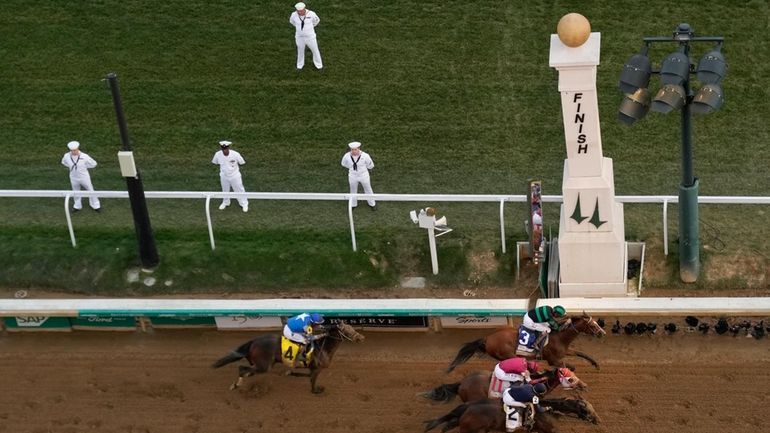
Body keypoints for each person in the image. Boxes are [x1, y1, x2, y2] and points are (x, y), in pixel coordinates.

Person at [61, 140, 101, 212]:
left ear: (78, 148)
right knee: (75, 191)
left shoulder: (84, 156)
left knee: (90, 190)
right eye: (72, 150)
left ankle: (96, 205)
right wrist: (71, 167)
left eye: (75, 150)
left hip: (84, 177)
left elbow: (94, 164)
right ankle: (77, 205)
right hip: (73, 177)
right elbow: (63, 162)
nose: (73, 152)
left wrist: (84, 167)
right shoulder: (66, 156)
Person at [211, 140, 248, 212]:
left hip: (235, 175)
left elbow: (242, 162)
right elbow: (215, 162)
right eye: (223, 149)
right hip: (224, 175)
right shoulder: (217, 154)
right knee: (225, 189)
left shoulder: (235, 154)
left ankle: (244, 203)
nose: (224, 151)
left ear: (228, 148)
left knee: (239, 189)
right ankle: (226, 202)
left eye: (226, 149)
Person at [341, 141, 376, 210]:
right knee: (353, 190)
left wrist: (363, 169)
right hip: (352, 176)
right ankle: (353, 204)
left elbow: (371, 165)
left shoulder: (365, 156)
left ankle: (372, 204)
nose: (353, 151)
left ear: (359, 148)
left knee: (368, 189)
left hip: (364, 175)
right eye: (352, 149)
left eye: (355, 149)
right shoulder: (346, 156)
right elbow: (343, 163)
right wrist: (351, 168)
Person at [289, 2, 323, 71]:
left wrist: (309, 28)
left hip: (310, 37)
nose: (300, 13)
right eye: (298, 11)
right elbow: (292, 22)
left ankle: (319, 66)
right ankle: (299, 66)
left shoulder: (312, 14)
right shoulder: (293, 15)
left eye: (301, 11)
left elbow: (316, 21)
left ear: (304, 9)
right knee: (300, 51)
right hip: (299, 37)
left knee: (315, 50)